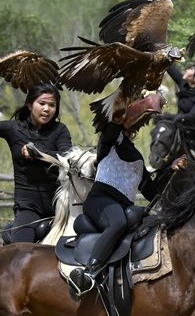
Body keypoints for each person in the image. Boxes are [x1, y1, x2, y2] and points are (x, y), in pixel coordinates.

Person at [68, 114, 173, 296]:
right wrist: (123, 106)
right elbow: (110, 127)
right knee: (118, 222)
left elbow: (152, 192)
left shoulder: (138, 158)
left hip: (123, 207)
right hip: (100, 200)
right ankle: (89, 274)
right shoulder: (110, 139)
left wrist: (172, 169)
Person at [0, 83, 73, 243]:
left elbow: (67, 158)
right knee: (21, 250)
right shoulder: (13, 129)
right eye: (42, 103)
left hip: (59, 206)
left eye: (52, 105)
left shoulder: (60, 130)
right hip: (28, 206)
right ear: (29, 104)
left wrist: (38, 154)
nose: (47, 109)